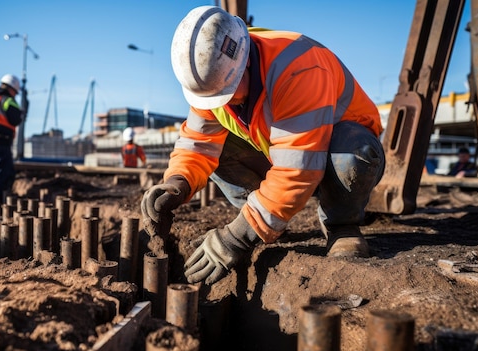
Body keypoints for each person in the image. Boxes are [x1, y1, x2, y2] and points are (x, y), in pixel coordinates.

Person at [141, 6, 386, 285]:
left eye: (227, 92)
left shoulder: (299, 67)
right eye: (214, 98)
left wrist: (237, 237)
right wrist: (177, 183)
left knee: (353, 155)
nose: (222, 103)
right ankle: (265, 218)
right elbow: (197, 145)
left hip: (338, 152)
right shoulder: (211, 77)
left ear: (244, 61)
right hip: (284, 154)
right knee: (219, 150)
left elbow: (299, 169)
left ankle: (342, 224)